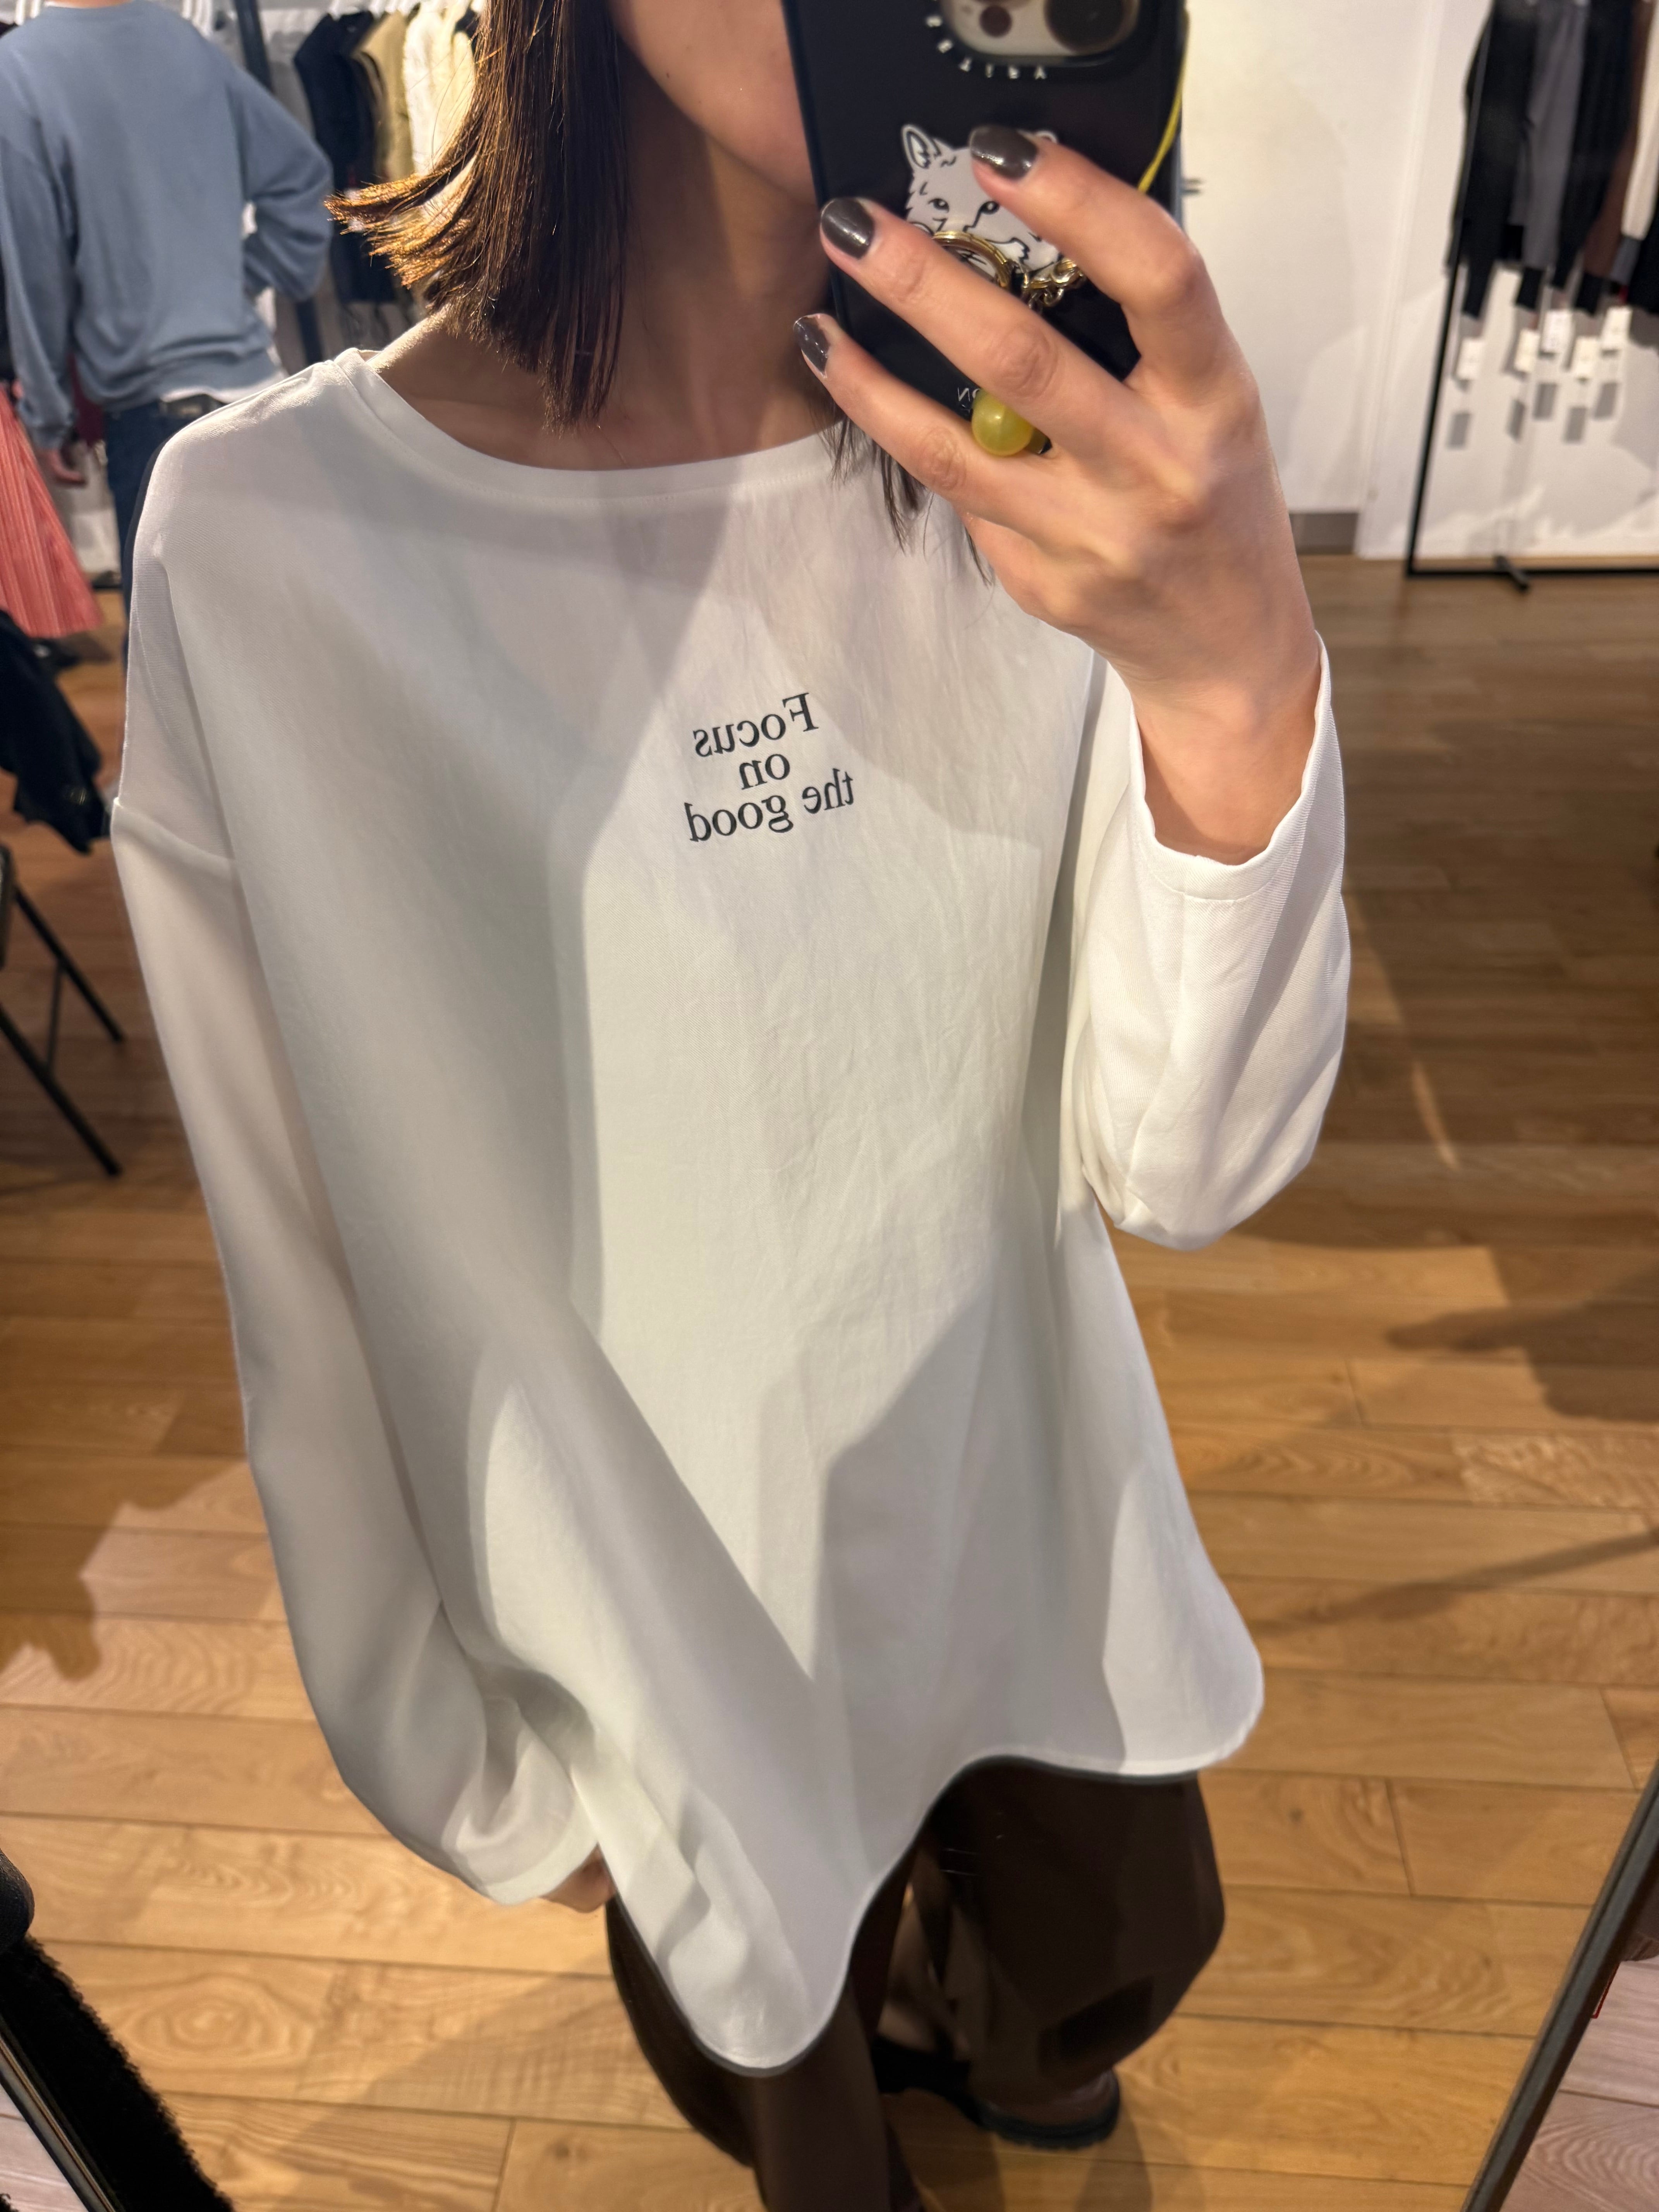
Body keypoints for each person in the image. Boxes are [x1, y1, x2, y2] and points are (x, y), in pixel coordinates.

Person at [110, 0, 1350, 2205]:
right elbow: (303, 1251)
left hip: (1020, 1506)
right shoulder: (270, 542)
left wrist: (1239, 679)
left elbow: (1180, 1162)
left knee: (1087, 1973)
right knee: (798, 2073)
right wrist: (463, 1757)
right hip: (660, 1626)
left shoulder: (1044, 462)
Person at [0, 0, 331, 603]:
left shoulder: (18, 69)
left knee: (167, 649)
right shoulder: (184, 43)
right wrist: (242, 278)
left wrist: (48, 414)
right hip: (259, 392)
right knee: (276, 630)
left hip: (158, 420)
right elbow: (303, 178)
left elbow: (35, 267)